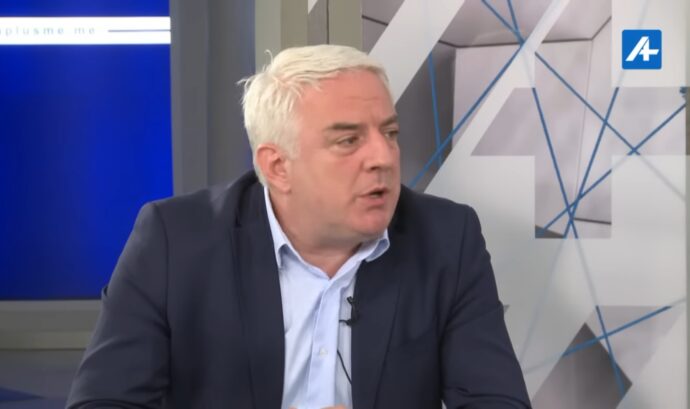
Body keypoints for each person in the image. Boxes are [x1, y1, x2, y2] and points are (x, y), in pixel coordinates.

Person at [67, 44, 531, 409]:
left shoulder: (446, 238)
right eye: (348, 140)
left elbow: (497, 402)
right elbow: (104, 402)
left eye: (389, 133)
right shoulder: (175, 241)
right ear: (278, 167)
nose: (384, 157)